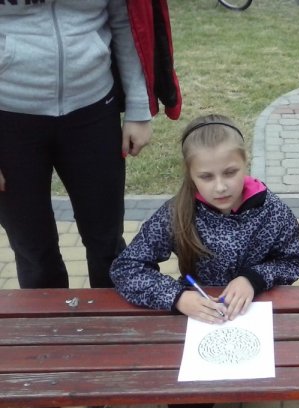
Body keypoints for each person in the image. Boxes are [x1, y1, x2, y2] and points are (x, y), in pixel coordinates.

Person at [110, 114, 299, 408]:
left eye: (230, 172)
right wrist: (177, 297)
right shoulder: (177, 213)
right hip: (198, 313)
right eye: (206, 176)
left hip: (257, 312)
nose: (220, 187)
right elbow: (126, 267)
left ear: (245, 162)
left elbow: (292, 261)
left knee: (272, 379)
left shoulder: (273, 212)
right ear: (190, 174)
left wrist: (254, 279)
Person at [0, 0, 181, 290]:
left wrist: (138, 107)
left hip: (94, 110)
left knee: (107, 244)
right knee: (33, 252)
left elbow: (125, 21)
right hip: (10, 118)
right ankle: (51, 319)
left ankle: (108, 317)